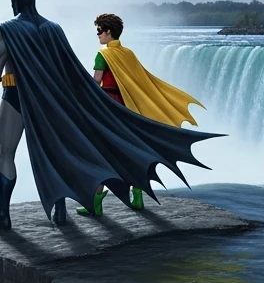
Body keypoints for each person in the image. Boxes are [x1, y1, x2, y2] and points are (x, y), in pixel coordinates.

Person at [0, 0, 220, 230]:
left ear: (14, 2)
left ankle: (3, 215)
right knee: (57, 154)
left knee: (4, 153)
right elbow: (68, 69)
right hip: (52, 99)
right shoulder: (54, 29)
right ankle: (61, 212)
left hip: (16, 94)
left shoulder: (5, 30)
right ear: (34, 1)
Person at [78, 12, 208, 215]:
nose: (98, 35)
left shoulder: (103, 54)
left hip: (107, 108)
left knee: (100, 152)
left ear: (108, 32)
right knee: (130, 152)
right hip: (128, 109)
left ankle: (95, 202)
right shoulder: (128, 53)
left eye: (99, 31)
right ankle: (137, 196)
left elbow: (95, 82)